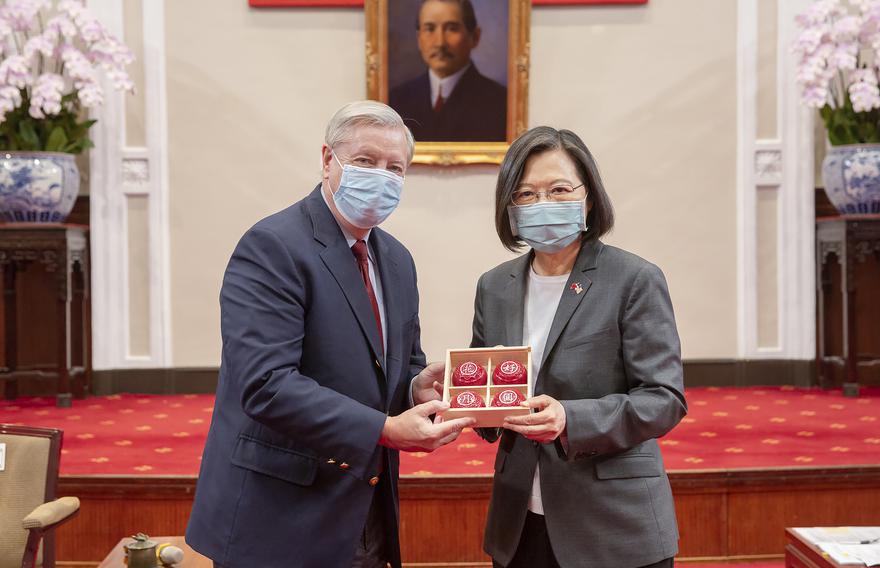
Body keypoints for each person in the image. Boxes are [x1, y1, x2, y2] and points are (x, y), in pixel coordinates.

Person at [186, 100, 475, 568]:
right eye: (365, 162)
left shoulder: (397, 260)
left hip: (366, 509)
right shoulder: (273, 246)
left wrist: (415, 388)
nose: (381, 176)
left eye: (395, 168)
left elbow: (392, 366)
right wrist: (386, 428)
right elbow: (265, 385)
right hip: (280, 516)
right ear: (327, 160)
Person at [472, 126, 687, 568]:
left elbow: (664, 400)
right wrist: (466, 400)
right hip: (520, 521)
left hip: (613, 525)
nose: (542, 204)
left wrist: (571, 418)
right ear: (510, 208)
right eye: (526, 194)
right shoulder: (495, 286)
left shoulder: (633, 279)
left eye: (558, 189)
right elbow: (491, 401)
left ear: (588, 197)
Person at [389, 0, 507, 142]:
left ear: (475, 37)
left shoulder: (500, 103)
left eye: (452, 28)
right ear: (419, 38)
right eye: (430, 29)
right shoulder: (396, 100)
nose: (440, 43)